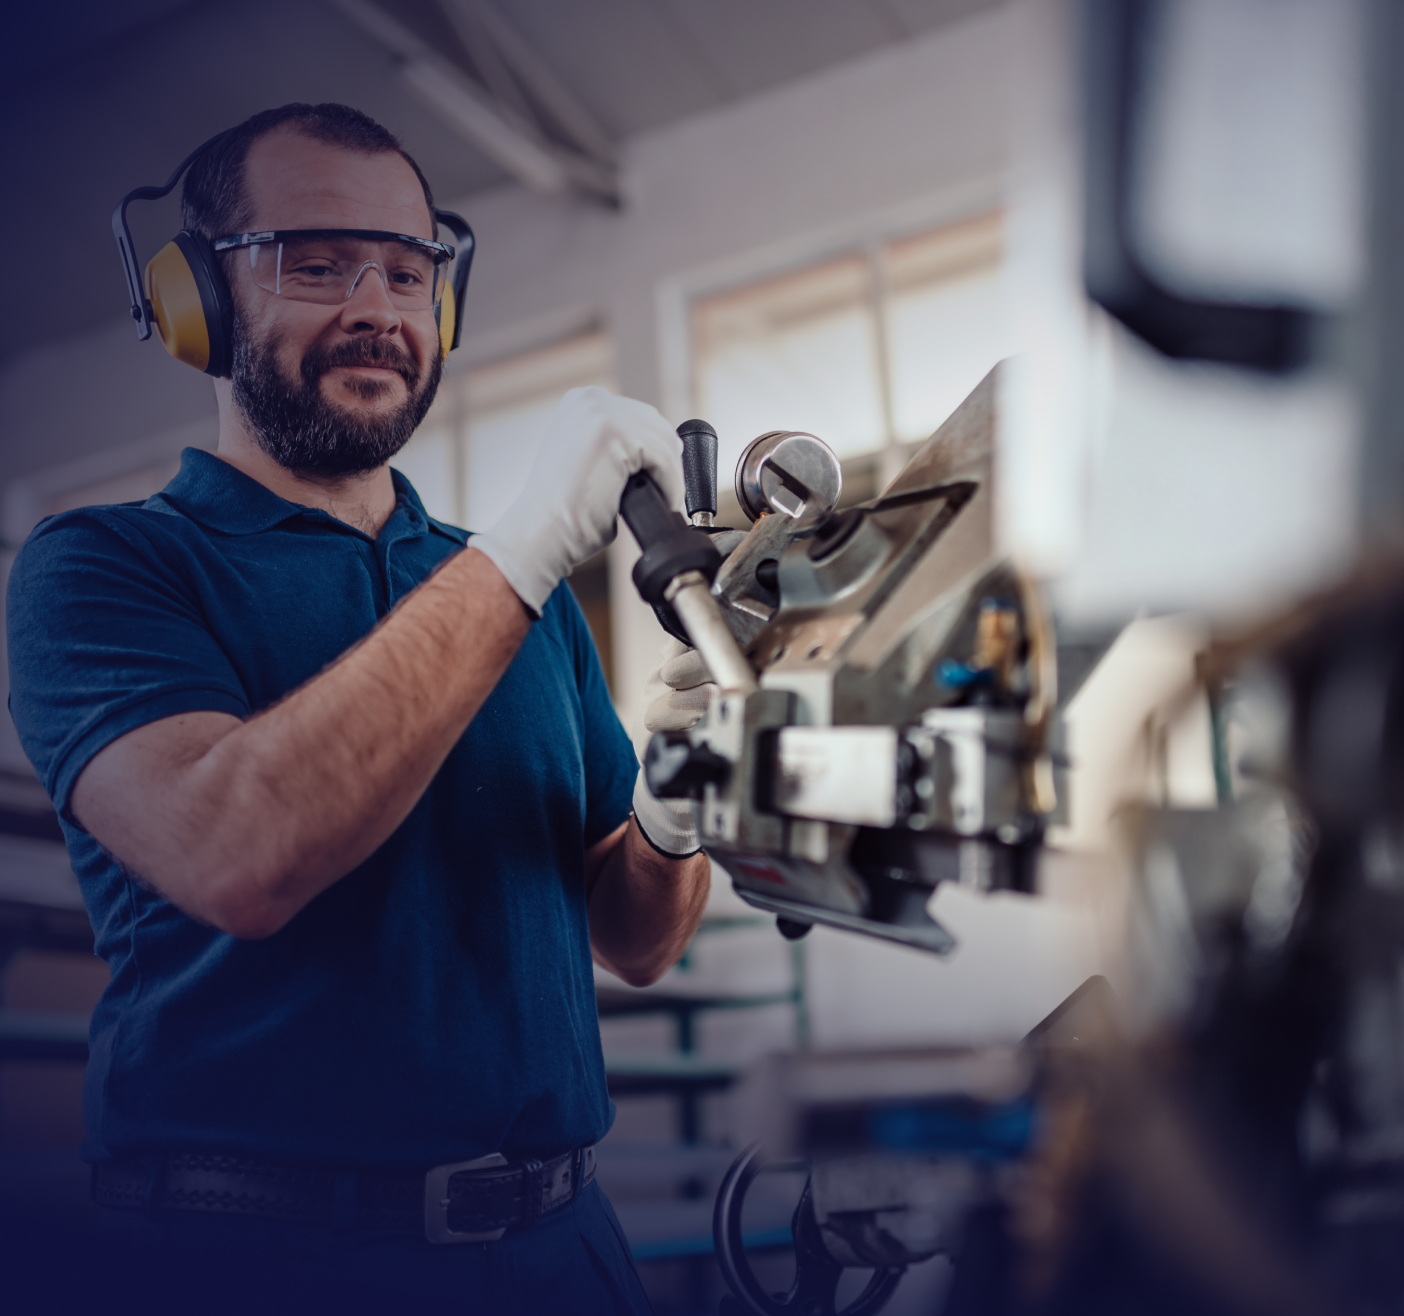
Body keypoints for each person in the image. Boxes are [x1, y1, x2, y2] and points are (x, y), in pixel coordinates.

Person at [5, 103, 710, 1314]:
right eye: (316, 263)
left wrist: (681, 802)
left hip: (567, 1250)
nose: (378, 306)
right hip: (255, 1264)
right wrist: (534, 540)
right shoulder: (103, 567)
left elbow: (638, 938)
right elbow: (237, 851)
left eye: (408, 267)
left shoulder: (519, 602)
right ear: (195, 301)